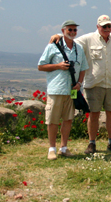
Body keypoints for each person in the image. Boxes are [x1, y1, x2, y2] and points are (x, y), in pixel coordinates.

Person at [50, 15, 111, 154]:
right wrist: (59, 35)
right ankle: (92, 143)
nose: (107, 29)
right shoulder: (88, 39)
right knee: (93, 114)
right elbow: (71, 41)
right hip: (94, 84)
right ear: (98, 26)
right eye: (104, 26)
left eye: (109, 26)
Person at [38, 20, 88, 160]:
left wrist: (79, 83)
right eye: (69, 30)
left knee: (68, 119)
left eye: (74, 30)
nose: (72, 32)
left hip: (72, 89)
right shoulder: (52, 47)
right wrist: (58, 66)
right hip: (56, 89)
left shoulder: (79, 48)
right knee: (53, 120)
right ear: (63, 31)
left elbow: (83, 68)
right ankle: (52, 148)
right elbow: (41, 66)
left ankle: (64, 148)